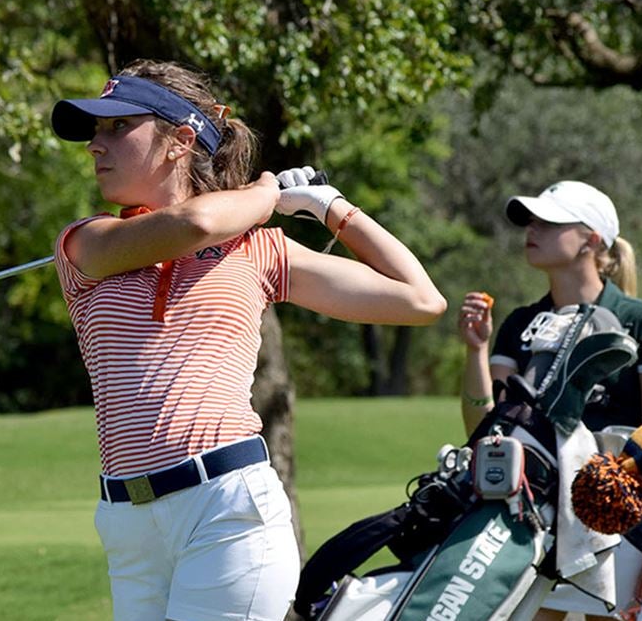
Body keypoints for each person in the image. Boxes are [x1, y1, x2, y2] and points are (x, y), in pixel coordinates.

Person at [50, 59, 447, 621]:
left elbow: (421, 300)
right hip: (128, 525)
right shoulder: (87, 243)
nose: (95, 145)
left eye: (117, 127)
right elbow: (195, 225)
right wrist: (266, 192)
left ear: (179, 140)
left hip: (226, 510)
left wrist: (333, 210)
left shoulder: (258, 251)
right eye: (95, 131)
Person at [457, 180, 642, 620]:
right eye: (531, 221)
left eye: (550, 221)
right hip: (532, 511)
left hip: (618, 518)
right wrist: (476, 351)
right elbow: (485, 430)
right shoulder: (519, 323)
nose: (533, 229)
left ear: (592, 240)